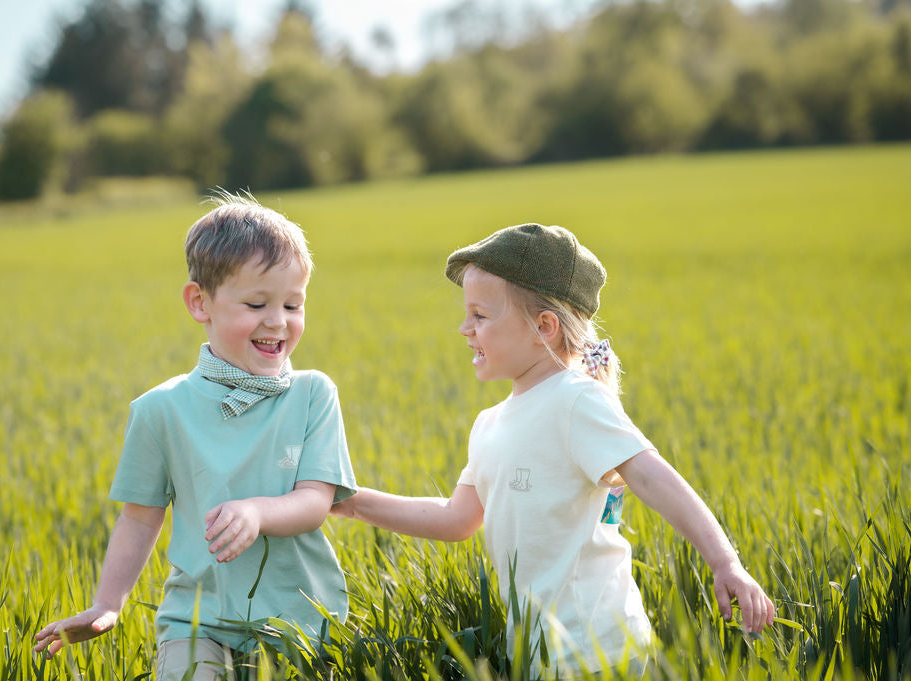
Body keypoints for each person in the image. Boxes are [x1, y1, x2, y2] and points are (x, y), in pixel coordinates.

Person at [330, 223, 774, 678]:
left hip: (604, 651)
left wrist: (726, 563)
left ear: (544, 327)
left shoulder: (576, 399)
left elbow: (652, 476)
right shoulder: (490, 425)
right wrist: (350, 502)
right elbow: (455, 519)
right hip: (539, 659)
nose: (465, 329)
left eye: (480, 316)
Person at [34, 193, 357, 681]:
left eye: (293, 304)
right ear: (199, 302)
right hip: (194, 618)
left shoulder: (313, 395)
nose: (278, 321)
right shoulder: (160, 410)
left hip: (296, 617)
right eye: (256, 303)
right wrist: (107, 603)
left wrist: (257, 511)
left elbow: (315, 501)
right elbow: (140, 519)